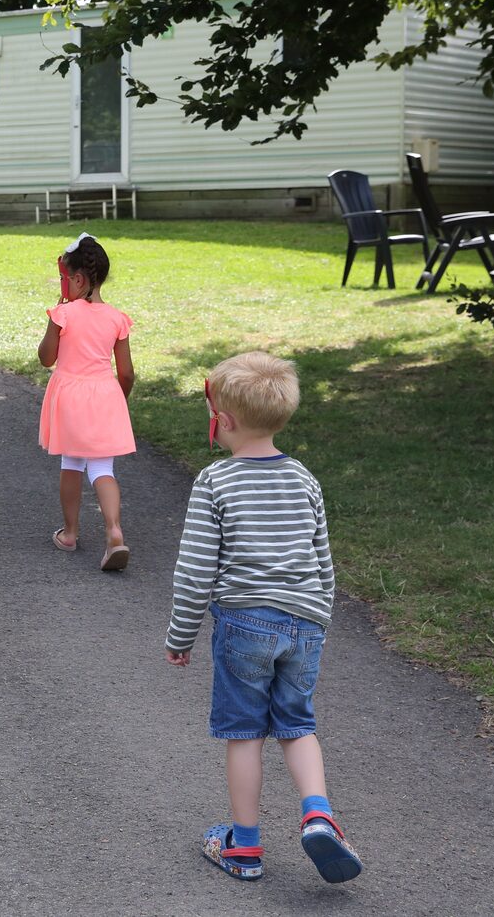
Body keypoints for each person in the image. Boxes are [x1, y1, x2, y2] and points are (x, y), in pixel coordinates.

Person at [165, 351, 363, 885]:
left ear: (223, 422)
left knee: (245, 733)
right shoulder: (303, 477)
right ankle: (319, 815)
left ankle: (245, 847)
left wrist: (180, 634)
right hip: (304, 622)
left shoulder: (216, 482)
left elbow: (195, 570)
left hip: (244, 624)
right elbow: (323, 558)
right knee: (298, 726)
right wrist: (318, 619)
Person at [36, 233, 135, 570]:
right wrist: (117, 401)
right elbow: (127, 373)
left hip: (70, 398)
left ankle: (70, 533)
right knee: (103, 468)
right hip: (104, 395)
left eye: (66, 279)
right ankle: (114, 532)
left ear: (78, 279)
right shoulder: (117, 318)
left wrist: (54, 320)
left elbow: (46, 358)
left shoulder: (63, 315)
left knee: (72, 463)